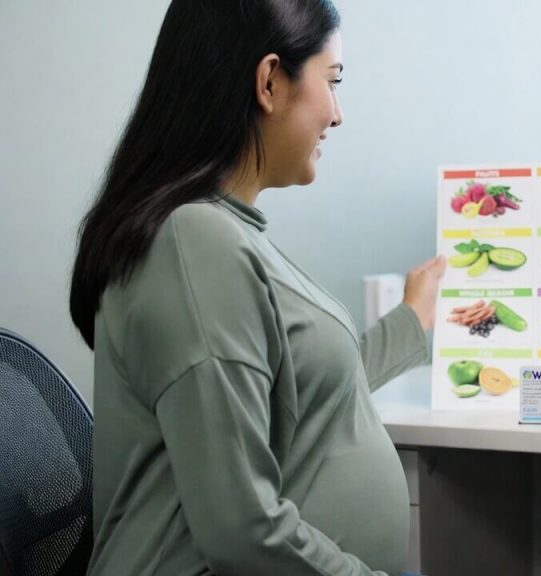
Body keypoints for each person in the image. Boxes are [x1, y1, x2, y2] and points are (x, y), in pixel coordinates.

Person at [68, 1, 445, 574]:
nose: (337, 114)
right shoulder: (194, 244)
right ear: (270, 81)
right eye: (332, 80)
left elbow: (314, 395)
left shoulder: (221, 235)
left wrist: (411, 320)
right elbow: (241, 530)